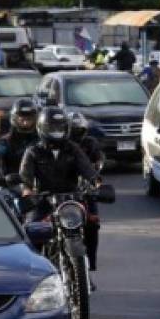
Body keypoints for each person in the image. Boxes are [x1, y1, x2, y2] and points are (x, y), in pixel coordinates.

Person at [20, 107, 100, 269]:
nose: (57, 132)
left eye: (60, 128)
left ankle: (88, 264)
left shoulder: (73, 148)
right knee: (31, 228)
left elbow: (87, 169)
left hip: (71, 199)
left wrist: (96, 182)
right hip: (44, 199)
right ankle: (33, 268)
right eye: (52, 129)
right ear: (42, 129)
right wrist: (27, 189)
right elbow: (25, 176)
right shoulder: (33, 151)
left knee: (92, 223)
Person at [68, 114, 104, 271]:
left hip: (84, 188)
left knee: (93, 223)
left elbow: (97, 159)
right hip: (63, 188)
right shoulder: (61, 145)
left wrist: (97, 170)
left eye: (79, 130)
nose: (76, 133)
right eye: (72, 130)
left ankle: (91, 261)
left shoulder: (90, 143)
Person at [0, 99, 39, 179]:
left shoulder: (41, 141)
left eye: (29, 119)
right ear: (14, 119)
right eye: (22, 120)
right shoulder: (5, 141)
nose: (25, 123)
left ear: (35, 119)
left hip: (38, 186)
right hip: (12, 185)